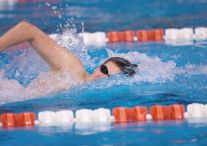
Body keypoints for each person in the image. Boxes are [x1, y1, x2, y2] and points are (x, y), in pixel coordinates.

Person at [0, 21, 137, 97]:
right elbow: (27, 29)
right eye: (104, 69)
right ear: (98, 66)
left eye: (109, 77)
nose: (101, 75)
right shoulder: (72, 67)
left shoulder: (84, 97)